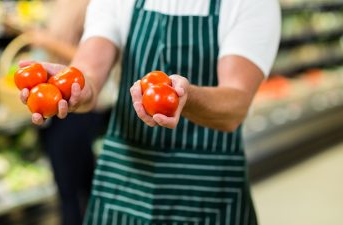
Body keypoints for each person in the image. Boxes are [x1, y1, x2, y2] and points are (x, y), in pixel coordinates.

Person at [19, 0, 281, 224]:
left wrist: (186, 97)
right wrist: (75, 87)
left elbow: (234, 105)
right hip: (125, 182)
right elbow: (89, 70)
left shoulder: (250, 4)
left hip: (208, 186)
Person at [9, 0, 111, 224]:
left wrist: (47, 41)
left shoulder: (89, 5)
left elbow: (90, 60)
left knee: (72, 187)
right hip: (54, 98)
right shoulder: (56, 3)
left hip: (77, 104)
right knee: (75, 181)